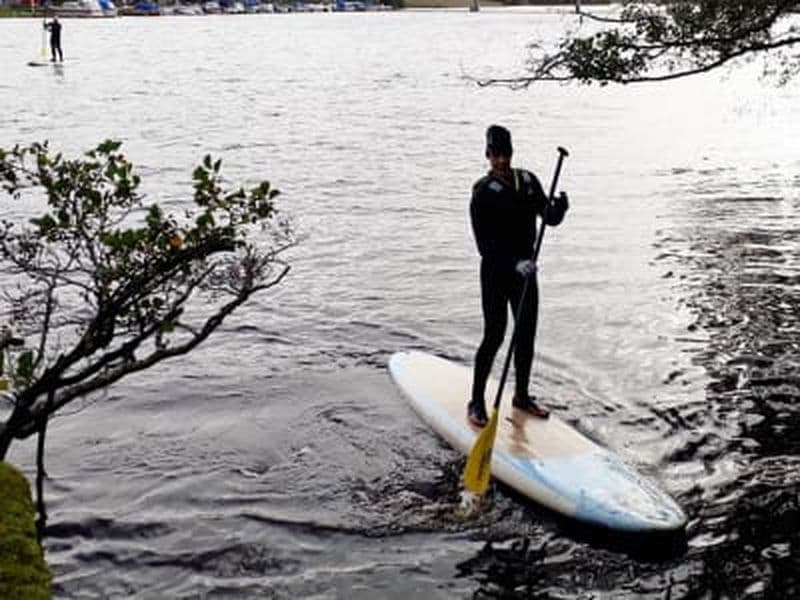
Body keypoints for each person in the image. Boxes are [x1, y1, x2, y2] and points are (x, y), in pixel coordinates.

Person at [468, 124, 569, 427]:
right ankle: (476, 400)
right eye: (495, 155)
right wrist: (513, 264)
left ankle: (521, 397)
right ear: (487, 155)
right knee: (495, 335)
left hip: (526, 275)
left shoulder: (527, 181)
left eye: (506, 154)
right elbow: (484, 246)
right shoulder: (482, 193)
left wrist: (559, 209)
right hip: (497, 273)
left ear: (512, 153)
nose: (501, 160)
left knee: (525, 335)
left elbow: (547, 217)